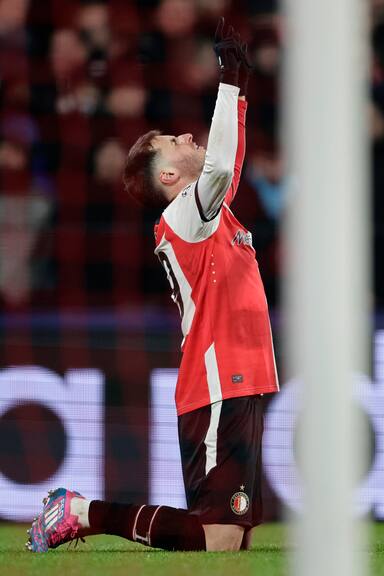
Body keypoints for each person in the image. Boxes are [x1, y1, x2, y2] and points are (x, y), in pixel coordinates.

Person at [27, 19, 279, 553]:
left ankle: (81, 512)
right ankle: (80, 512)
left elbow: (225, 169)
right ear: (168, 178)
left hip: (240, 381)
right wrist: (228, 82)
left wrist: (239, 91)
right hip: (217, 383)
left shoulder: (210, 215)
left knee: (231, 541)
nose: (187, 136)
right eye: (173, 141)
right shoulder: (182, 220)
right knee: (220, 539)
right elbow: (217, 169)